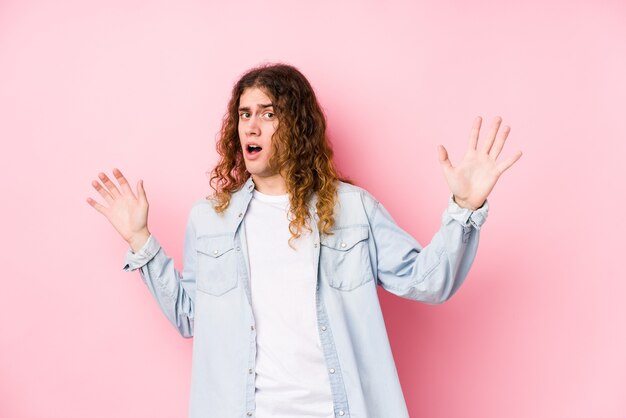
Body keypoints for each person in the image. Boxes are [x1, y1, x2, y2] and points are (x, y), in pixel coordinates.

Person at [87, 63, 521, 418]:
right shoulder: (210, 219)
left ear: (296, 124)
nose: (251, 126)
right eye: (244, 114)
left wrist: (464, 209)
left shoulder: (354, 210)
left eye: (267, 113)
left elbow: (428, 281)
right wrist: (141, 240)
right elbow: (191, 317)